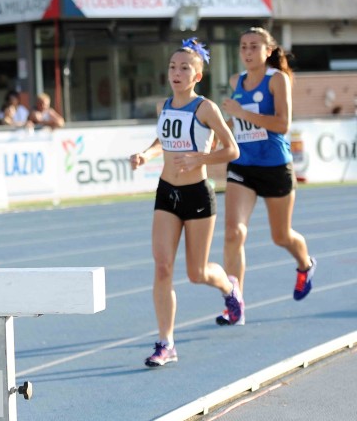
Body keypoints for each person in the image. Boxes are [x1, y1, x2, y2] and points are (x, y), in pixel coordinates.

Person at [130, 38, 243, 367]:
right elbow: (161, 141)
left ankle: (229, 287)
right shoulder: (164, 106)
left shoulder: (205, 108)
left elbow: (232, 149)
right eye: (172, 67)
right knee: (163, 266)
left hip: (197, 195)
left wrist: (199, 159)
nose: (176, 73)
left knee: (197, 273)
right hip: (167, 192)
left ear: (197, 76)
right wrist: (146, 154)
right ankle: (166, 342)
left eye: (184, 68)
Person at [217, 27, 316, 326]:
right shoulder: (236, 81)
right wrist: (218, 133)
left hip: (274, 166)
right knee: (233, 233)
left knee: (281, 236)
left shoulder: (277, 79)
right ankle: (234, 302)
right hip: (243, 165)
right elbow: (236, 121)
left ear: (268, 51)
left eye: (254, 46)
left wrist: (240, 113)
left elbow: (283, 124)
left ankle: (305, 264)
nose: (247, 52)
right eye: (243, 47)